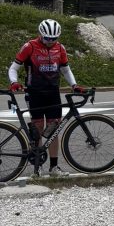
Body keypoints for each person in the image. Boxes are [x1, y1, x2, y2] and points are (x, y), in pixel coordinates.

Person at [8, 18, 87, 175]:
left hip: (52, 93)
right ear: (40, 34)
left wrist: (74, 85)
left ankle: (53, 168)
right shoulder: (29, 46)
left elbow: (65, 70)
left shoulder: (60, 48)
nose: (50, 41)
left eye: (54, 39)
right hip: (35, 93)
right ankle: (37, 169)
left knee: (53, 131)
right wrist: (14, 82)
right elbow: (13, 68)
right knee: (37, 131)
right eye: (47, 38)